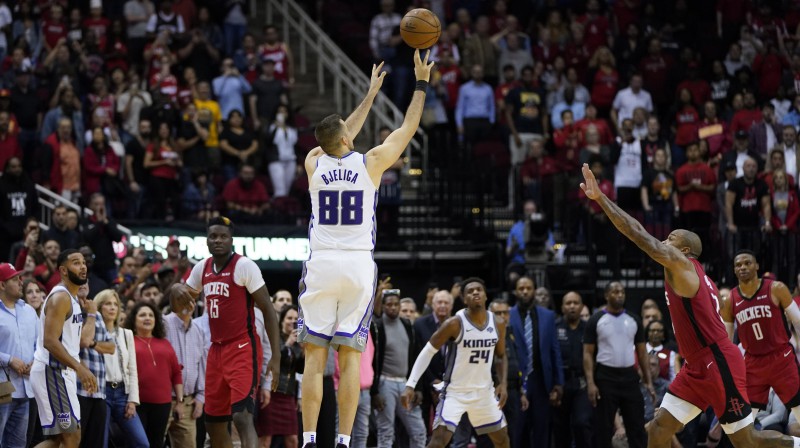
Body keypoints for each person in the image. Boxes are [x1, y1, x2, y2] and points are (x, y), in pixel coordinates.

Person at [579, 162, 800, 446]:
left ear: (683, 250)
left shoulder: (682, 265)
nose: (662, 239)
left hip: (717, 360)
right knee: (659, 428)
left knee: (747, 442)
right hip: (697, 364)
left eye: (670, 238)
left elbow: (638, 234)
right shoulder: (692, 274)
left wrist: (601, 199)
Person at [297, 50, 432, 448]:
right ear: (345, 139)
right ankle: (342, 439)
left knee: (313, 357)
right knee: (351, 358)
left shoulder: (313, 163)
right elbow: (408, 126)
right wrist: (420, 82)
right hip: (357, 267)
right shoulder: (371, 162)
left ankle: (307, 440)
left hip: (321, 264)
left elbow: (336, 136)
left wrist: (370, 96)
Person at [169, 216, 281, 448]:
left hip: (243, 347)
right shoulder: (202, 267)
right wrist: (175, 288)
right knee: (214, 423)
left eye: (223, 236)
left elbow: (269, 311)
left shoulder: (244, 266)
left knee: (242, 416)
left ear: (232, 240)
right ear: (206, 240)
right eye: (213, 236)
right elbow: (179, 306)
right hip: (216, 350)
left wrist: (276, 358)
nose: (218, 240)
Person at [400, 278, 510, 448]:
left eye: (478, 289)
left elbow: (501, 356)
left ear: (486, 295)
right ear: (463, 299)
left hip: (484, 393)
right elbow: (427, 352)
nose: (475, 293)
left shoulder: (498, 323)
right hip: (455, 393)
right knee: (438, 442)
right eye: (470, 291)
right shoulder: (454, 324)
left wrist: (503, 383)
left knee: (502, 439)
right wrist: (410, 385)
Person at [720, 250, 800, 422]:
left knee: (798, 408)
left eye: (747, 263)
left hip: (781, 358)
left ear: (756, 266)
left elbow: (798, 322)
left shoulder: (776, 288)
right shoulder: (730, 300)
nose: (742, 267)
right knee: (745, 420)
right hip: (753, 363)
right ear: (734, 270)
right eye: (738, 265)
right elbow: (726, 340)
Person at [30, 249, 98, 448]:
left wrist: (80, 366)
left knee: (60, 439)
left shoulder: (73, 299)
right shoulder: (61, 297)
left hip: (61, 373)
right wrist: (80, 368)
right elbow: (50, 341)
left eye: (84, 262)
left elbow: (72, 343)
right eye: (76, 262)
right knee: (71, 437)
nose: (83, 266)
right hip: (52, 372)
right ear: (63, 270)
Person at [583, 281, 652, 448]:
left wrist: (648, 381)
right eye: (615, 291)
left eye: (622, 291)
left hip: (630, 377)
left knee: (636, 427)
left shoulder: (634, 319)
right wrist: (591, 383)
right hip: (605, 377)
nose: (619, 294)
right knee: (603, 429)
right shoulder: (596, 319)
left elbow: (642, 353)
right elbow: (587, 354)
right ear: (606, 295)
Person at [509, 276, 563, 447]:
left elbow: (555, 350)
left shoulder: (548, 316)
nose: (525, 291)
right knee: (517, 430)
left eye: (528, 288)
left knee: (541, 430)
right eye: (521, 288)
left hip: (541, 380)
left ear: (534, 290)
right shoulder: (508, 315)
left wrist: (558, 382)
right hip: (517, 381)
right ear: (515, 292)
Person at [371, 290, 426, 448]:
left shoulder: (407, 325)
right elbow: (372, 361)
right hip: (384, 383)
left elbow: (416, 358)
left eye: (396, 304)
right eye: (389, 304)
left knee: (419, 430)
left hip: (406, 384)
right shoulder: (377, 327)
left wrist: (418, 387)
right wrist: (374, 391)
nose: (393, 307)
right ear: (383, 306)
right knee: (386, 432)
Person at [95, 290, 149, 448]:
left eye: (115, 304)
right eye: (107, 304)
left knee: (142, 443)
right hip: (101, 392)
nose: (112, 308)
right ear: (99, 308)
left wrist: (133, 400)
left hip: (122, 394)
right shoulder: (92, 333)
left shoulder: (126, 334)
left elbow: (132, 368)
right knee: (101, 443)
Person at [125, 302, 182, 448]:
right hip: (136, 404)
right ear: (134, 320)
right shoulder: (127, 341)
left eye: (151, 315)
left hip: (163, 404)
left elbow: (176, 373)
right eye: (142, 315)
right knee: (138, 443)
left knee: (157, 443)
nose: (147, 318)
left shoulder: (165, 343)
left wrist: (179, 402)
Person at [0, 263, 38, 448]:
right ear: (2, 285)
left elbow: (41, 343)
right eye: (15, 279)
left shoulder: (29, 311)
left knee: (17, 444)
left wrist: (35, 362)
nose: (21, 282)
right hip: (1, 389)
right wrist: (8, 359)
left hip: (25, 389)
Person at [164, 292, 206, 448]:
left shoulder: (198, 330)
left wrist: (201, 398)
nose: (188, 304)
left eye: (191, 300)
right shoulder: (163, 324)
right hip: (164, 400)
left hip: (189, 402)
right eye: (182, 300)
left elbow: (202, 365)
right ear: (174, 303)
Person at [257, 305, 303, 448]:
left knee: (293, 440)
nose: (292, 322)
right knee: (265, 440)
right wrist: (288, 344)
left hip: (288, 396)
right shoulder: (273, 337)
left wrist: (304, 352)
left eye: (296, 319)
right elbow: (272, 361)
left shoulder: (297, 343)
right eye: (289, 318)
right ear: (282, 320)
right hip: (271, 393)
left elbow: (301, 370)